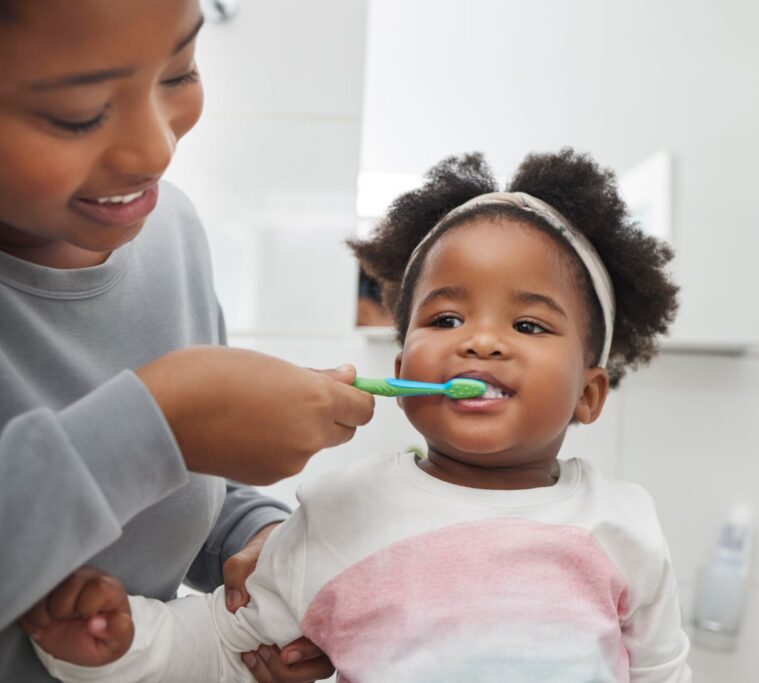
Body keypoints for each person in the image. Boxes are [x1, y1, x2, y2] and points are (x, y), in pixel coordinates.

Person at [30, 150, 690, 682]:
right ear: (403, 364)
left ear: (589, 393)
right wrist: (111, 644)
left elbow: (662, 672)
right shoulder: (341, 514)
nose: (481, 341)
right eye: (446, 318)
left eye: (526, 322)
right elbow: (221, 645)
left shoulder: (623, 527)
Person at [0, 1, 374, 681]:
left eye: (179, 72)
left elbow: (188, 486)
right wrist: (159, 423)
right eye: (80, 112)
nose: (157, 151)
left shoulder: (169, 229)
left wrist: (256, 538)